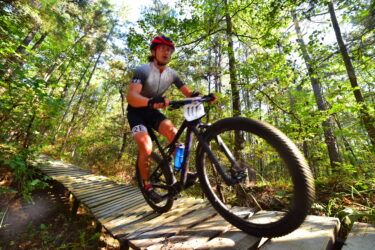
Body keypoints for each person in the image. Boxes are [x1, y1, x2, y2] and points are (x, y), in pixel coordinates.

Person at [126, 35, 217, 203]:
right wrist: (150, 101)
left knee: (175, 135)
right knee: (146, 147)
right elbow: (131, 96)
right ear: (154, 51)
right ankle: (147, 185)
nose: (166, 52)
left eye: (170, 50)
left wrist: (204, 97)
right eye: (162, 48)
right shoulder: (142, 70)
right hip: (137, 112)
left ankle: (184, 172)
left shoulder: (172, 74)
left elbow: (189, 94)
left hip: (153, 112)